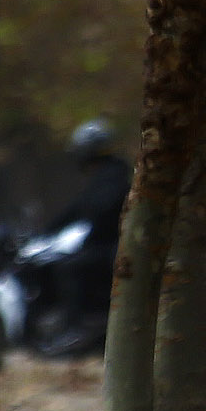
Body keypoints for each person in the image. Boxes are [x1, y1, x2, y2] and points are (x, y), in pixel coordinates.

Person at [52, 121, 133, 342]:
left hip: (111, 246)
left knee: (69, 268)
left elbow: (98, 209)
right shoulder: (104, 176)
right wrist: (48, 229)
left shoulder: (112, 176)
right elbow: (76, 208)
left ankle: (77, 327)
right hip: (105, 243)